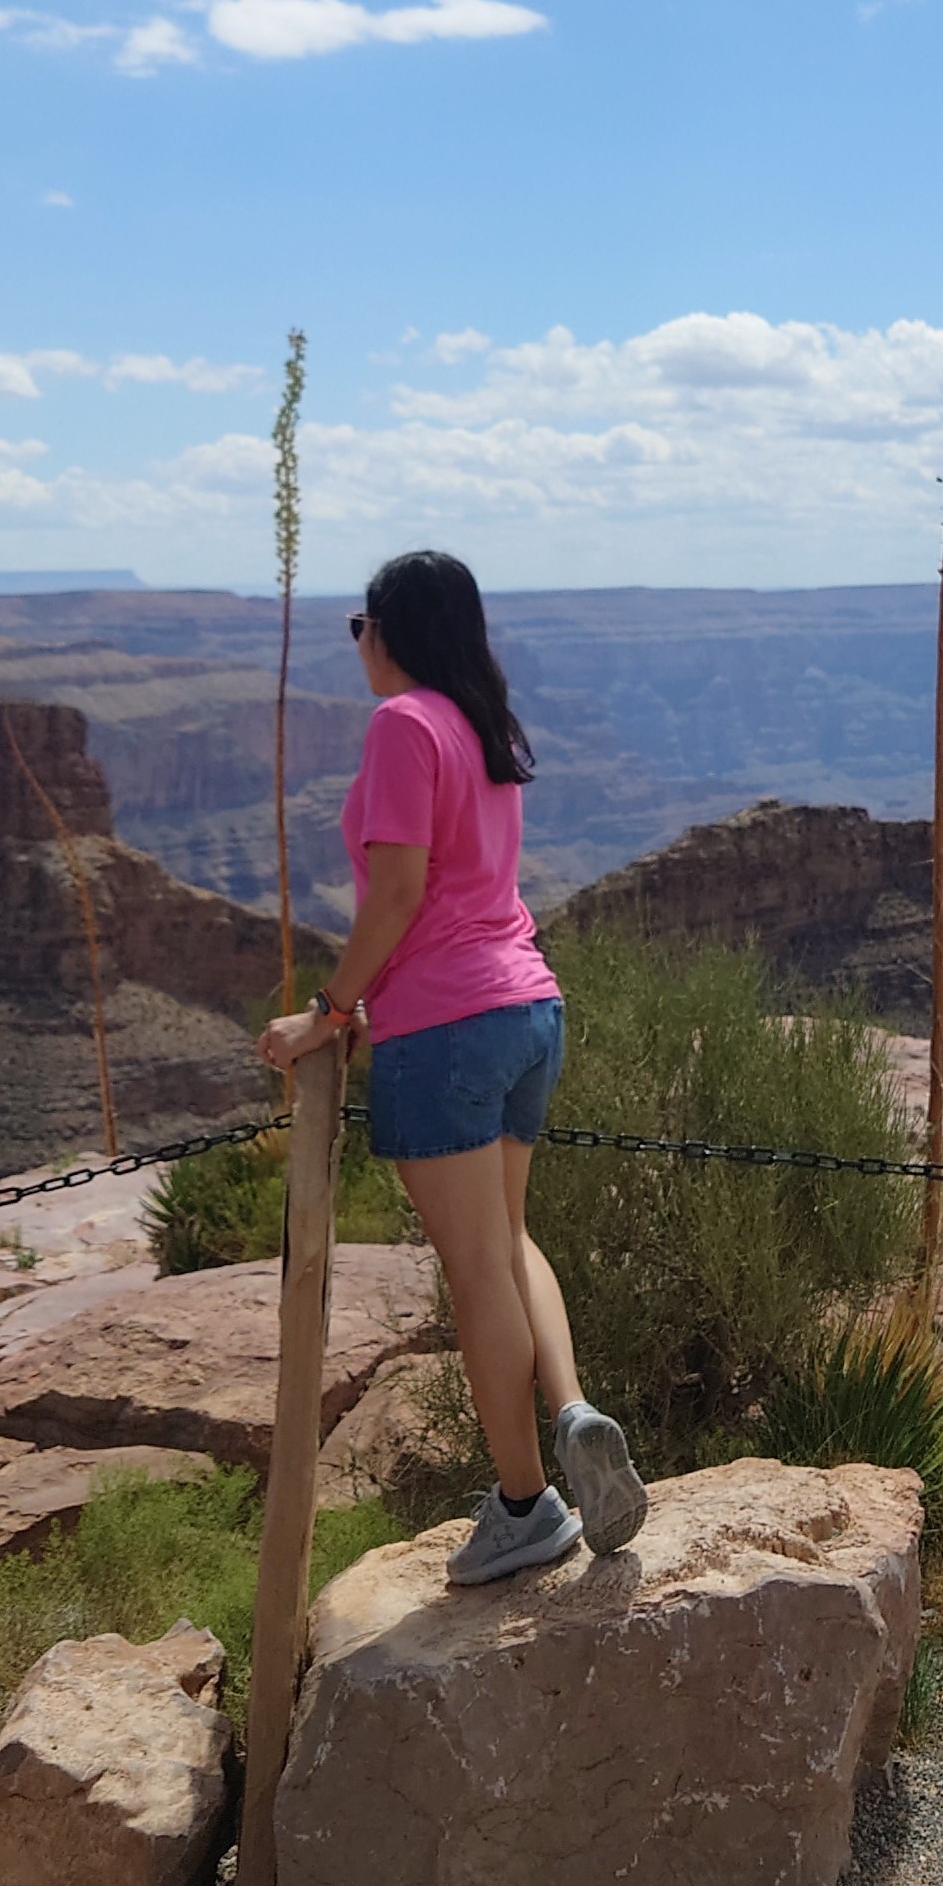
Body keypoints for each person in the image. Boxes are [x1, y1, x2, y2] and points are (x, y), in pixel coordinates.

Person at [257, 547, 647, 1584]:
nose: (357, 647)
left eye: (360, 627)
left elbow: (395, 892)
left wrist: (328, 1014)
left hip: (443, 1024)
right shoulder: (487, 722)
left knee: (474, 1270)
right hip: (529, 1006)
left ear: (389, 632)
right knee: (512, 1238)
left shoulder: (401, 725)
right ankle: (571, 1412)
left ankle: (526, 1505)